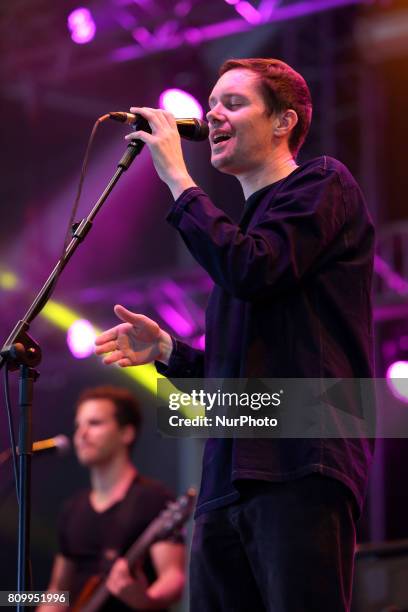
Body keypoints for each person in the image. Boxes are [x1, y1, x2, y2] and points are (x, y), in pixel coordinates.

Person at [95, 58, 375, 611]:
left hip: (299, 458)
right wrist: (171, 352)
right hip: (227, 478)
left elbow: (255, 268)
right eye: (211, 102)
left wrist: (178, 178)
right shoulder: (240, 237)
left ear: (283, 122)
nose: (212, 114)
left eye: (233, 102)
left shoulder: (322, 182)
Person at [38, 386, 185, 612]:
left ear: (127, 432)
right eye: (78, 425)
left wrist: (147, 600)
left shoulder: (153, 498)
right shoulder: (73, 508)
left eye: (95, 423)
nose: (81, 434)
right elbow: (58, 590)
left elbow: (173, 577)